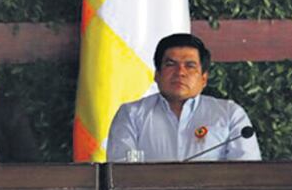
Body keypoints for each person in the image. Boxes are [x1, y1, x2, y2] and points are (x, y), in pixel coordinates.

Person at [107, 33, 261, 162]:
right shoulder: (131, 114)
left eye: (190, 65)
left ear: (204, 78)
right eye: (170, 64)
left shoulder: (229, 114)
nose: (180, 72)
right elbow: (120, 175)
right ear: (157, 75)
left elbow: (246, 175)